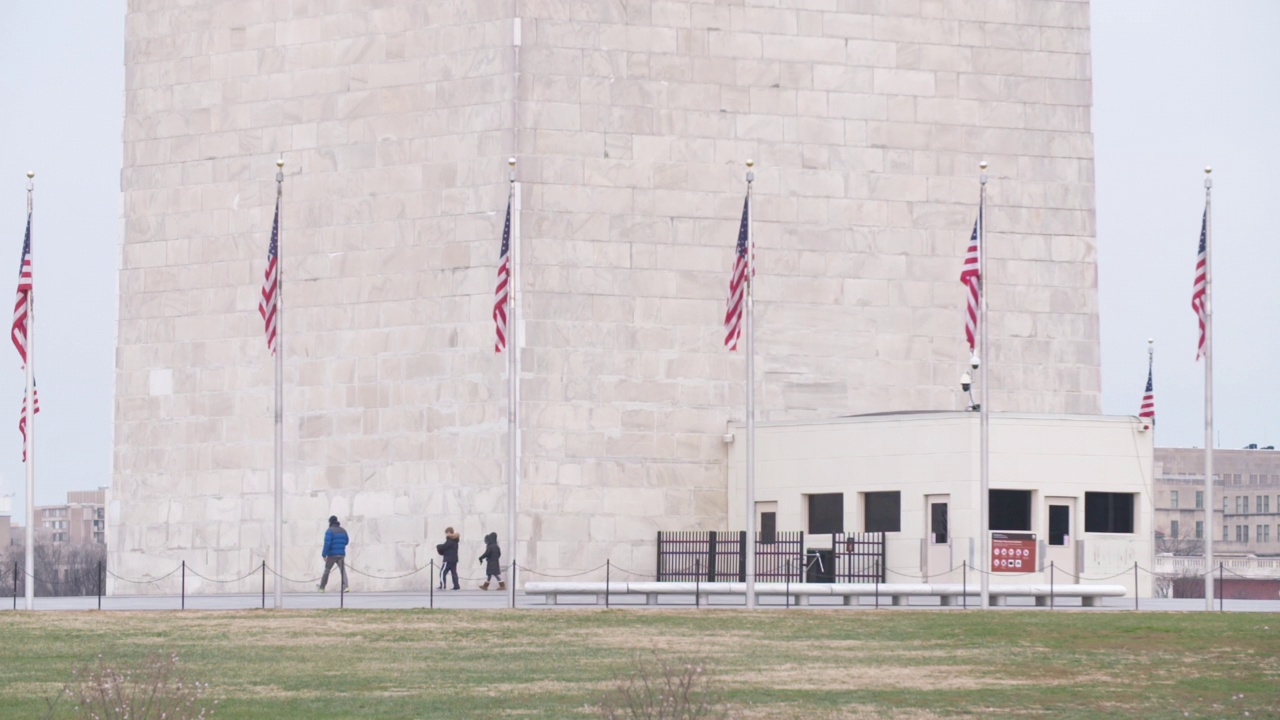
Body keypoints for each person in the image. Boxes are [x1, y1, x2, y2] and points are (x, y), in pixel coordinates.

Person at [318, 516, 349, 592]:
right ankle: (346, 586)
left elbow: (327, 543)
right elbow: (346, 541)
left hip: (332, 555)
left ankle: (322, 587)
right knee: (343, 571)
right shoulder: (343, 530)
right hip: (341, 554)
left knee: (327, 570)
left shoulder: (329, 531)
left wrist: (324, 555)